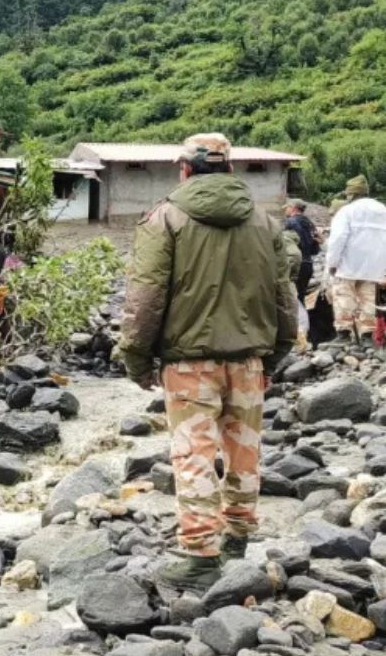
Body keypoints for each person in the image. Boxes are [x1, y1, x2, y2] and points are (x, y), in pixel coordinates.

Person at [118, 133, 296, 594]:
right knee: (245, 450)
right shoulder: (265, 221)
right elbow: (284, 295)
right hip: (250, 359)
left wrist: (136, 358)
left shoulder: (166, 218)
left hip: (188, 362)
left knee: (193, 455)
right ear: (230, 170)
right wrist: (276, 353)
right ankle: (238, 538)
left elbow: (146, 297)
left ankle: (201, 554)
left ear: (184, 169)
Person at [325, 175, 386, 349]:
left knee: (343, 297)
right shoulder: (382, 209)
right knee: (369, 299)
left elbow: (338, 239)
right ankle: (367, 336)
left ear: (350, 194)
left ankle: (344, 334)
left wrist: (332, 263)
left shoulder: (347, 211)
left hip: (348, 264)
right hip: (374, 266)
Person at [283, 198, 320, 304]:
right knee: (301, 297)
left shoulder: (290, 223)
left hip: (294, 264)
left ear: (293, 208)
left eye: (287, 208)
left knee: (290, 298)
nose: (286, 210)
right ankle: (303, 319)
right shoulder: (310, 224)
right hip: (308, 264)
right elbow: (315, 249)